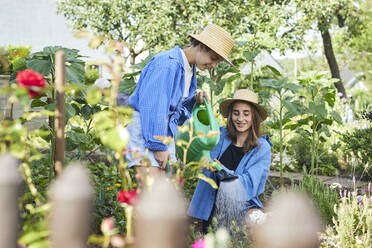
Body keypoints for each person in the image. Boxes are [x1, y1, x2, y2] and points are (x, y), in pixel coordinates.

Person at [125, 24, 234, 183]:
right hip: (147, 130)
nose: (214, 65)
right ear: (202, 47)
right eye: (214, 58)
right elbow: (154, 106)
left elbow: (174, 109)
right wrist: (158, 145)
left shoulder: (188, 68)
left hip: (161, 132)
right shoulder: (168, 64)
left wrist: (193, 101)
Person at [188, 89, 272, 232]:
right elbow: (194, 128)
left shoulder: (261, 148)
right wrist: (196, 103)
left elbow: (248, 184)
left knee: (253, 225)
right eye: (236, 113)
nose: (240, 119)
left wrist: (221, 169)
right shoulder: (220, 135)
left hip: (241, 209)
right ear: (230, 115)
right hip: (211, 208)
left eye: (246, 114)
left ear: (254, 117)